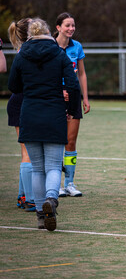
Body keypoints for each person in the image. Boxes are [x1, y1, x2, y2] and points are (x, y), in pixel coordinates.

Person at [8, 18, 80, 231]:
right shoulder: (59, 54)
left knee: (38, 168)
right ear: (49, 32)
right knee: (53, 165)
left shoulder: (22, 56)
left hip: (29, 113)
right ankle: (51, 198)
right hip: (54, 113)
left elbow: (13, 85)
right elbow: (73, 85)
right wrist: (71, 110)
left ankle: (41, 214)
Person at [54, 12, 90, 197]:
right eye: (67, 25)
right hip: (53, 96)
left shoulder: (77, 47)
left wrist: (85, 97)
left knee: (71, 141)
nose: (71, 29)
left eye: (73, 25)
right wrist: (58, 90)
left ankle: (69, 183)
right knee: (56, 141)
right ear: (58, 27)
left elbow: (81, 74)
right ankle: (55, 184)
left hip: (74, 96)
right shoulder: (50, 47)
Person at [7, 19, 36, 211]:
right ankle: (30, 199)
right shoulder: (28, 52)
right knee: (28, 153)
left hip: (22, 101)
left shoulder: (27, 50)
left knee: (27, 152)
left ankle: (22, 195)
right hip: (22, 102)